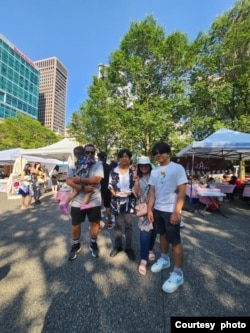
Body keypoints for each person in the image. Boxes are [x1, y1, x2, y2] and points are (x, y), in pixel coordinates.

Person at [148, 142, 188, 293]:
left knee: (175, 241)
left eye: (161, 152)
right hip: (158, 209)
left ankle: (178, 273)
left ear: (168, 153)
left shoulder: (177, 168)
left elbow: (183, 191)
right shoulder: (154, 171)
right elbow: (152, 191)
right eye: (156, 153)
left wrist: (177, 212)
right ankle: (164, 259)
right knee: (162, 235)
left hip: (171, 210)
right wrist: (150, 209)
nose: (158, 155)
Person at [66, 143, 104, 259]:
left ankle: (93, 242)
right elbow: (69, 181)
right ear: (83, 153)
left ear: (95, 154)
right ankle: (76, 244)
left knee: (95, 224)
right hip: (78, 201)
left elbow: (97, 179)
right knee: (75, 224)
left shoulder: (98, 165)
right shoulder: (74, 165)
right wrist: (83, 187)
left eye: (92, 152)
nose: (90, 154)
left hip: (94, 201)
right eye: (87, 152)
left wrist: (80, 179)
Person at [108, 149, 136, 261]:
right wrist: (116, 195)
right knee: (118, 225)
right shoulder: (113, 171)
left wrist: (132, 192)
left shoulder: (133, 171)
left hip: (129, 201)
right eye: (122, 156)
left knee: (129, 225)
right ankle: (117, 246)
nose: (124, 158)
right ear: (119, 158)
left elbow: (136, 185)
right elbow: (110, 186)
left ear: (129, 159)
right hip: (117, 202)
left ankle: (128, 248)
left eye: (127, 156)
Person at [133, 156, 156, 275]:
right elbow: (137, 194)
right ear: (138, 167)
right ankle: (143, 259)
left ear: (150, 165)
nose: (144, 166)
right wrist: (136, 181)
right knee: (144, 233)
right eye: (141, 165)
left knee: (154, 231)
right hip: (143, 209)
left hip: (157, 207)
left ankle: (150, 249)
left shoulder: (155, 176)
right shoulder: (138, 178)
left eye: (146, 164)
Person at [60, 146, 95, 215]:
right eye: (87, 152)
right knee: (90, 190)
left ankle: (65, 204)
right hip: (82, 177)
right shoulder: (85, 159)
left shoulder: (78, 160)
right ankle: (84, 205)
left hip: (76, 177)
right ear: (84, 152)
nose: (89, 154)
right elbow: (91, 162)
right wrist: (94, 161)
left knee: (75, 192)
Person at [97, 151, 113, 229]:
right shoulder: (109, 167)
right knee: (107, 206)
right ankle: (109, 223)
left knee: (99, 207)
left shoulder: (96, 167)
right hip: (107, 189)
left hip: (98, 189)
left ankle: (99, 224)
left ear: (99, 158)